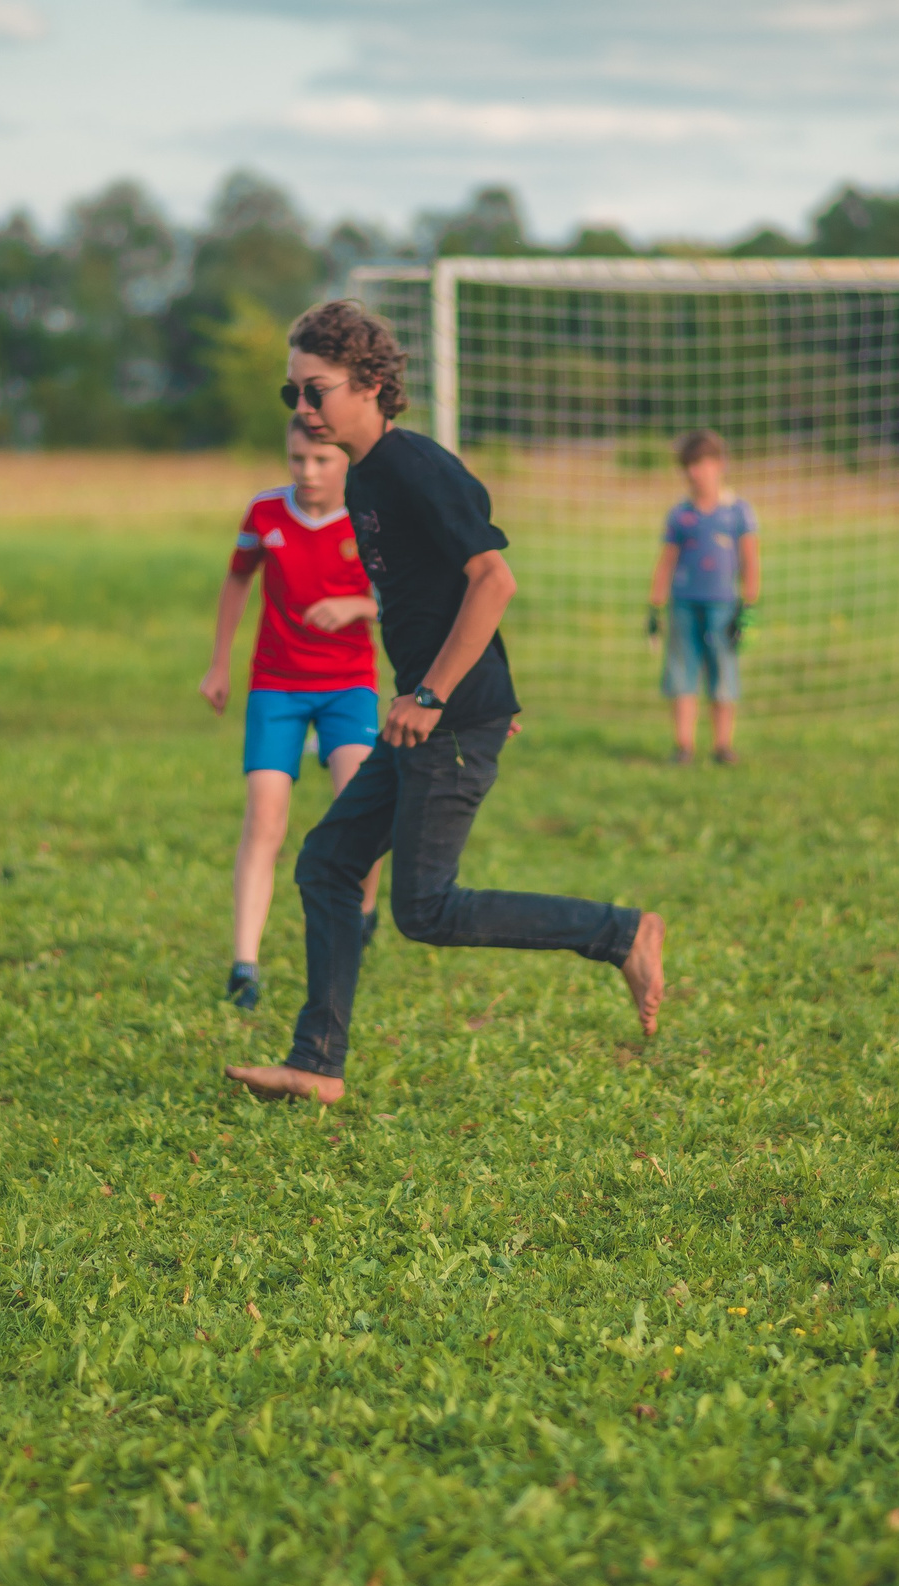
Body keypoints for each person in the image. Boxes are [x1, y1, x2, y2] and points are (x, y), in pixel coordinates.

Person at [224, 301, 665, 1104]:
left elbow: (493, 580)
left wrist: (439, 691)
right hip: (435, 712)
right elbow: (433, 600)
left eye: (315, 390)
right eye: (292, 394)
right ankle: (316, 1063)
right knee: (326, 864)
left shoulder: (414, 468)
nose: (303, 410)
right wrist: (467, 687)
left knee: (424, 909)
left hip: (445, 717)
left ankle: (622, 932)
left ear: (372, 384)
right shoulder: (365, 477)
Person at [197, 420, 383, 1011]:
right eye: (297, 459)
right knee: (265, 818)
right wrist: (219, 664)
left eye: (321, 460)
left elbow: (403, 593)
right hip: (276, 686)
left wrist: (358, 604)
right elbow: (236, 580)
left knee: (360, 806)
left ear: (345, 460)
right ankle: (244, 966)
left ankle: (365, 911)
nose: (306, 472)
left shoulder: (370, 515)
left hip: (349, 686)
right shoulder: (265, 513)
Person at [647, 428, 762, 765]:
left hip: (724, 605)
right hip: (683, 604)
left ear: (720, 465)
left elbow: (750, 560)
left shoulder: (738, 512)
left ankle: (723, 746)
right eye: (690, 466)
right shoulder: (680, 515)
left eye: (703, 464)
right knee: (682, 674)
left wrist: (749, 607)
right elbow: (666, 563)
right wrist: (655, 608)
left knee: (724, 673)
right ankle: (684, 746)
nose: (696, 473)